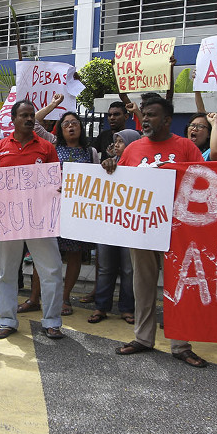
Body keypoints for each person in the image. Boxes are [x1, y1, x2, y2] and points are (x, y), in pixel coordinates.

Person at [102, 97, 208, 368]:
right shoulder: (134, 148)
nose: (145, 119)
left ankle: (181, 345)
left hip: (177, 231)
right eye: (144, 115)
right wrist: (110, 167)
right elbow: (118, 185)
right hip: (142, 229)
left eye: (151, 115)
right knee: (143, 284)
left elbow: (203, 181)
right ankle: (143, 338)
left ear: (168, 120)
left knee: (178, 287)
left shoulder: (185, 147)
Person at [0, 100, 65, 340]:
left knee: (51, 270)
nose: (30, 119)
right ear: (14, 119)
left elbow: (56, 180)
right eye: (24, 115)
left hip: (40, 218)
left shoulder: (46, 147)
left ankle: (52, 321)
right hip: (8, 220)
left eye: (32, 115)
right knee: (7, 272)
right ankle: (7, 320)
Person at [25, 111, 99, 317]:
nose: (71, 127)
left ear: (81, 128)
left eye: (74, 123)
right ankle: (34, 297)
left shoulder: (90, 152)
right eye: (66, 124)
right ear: (60, 129)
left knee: (74, 254)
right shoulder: (51, 146)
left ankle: (64, 297)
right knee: (44, 254)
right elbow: (36, 122)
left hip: (77, 212)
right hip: (51, 209)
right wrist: (55, 104)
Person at [88, 128, 141, 324]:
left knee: (129, 269)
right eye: (116, 141)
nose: (117, 145)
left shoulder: (140, 167)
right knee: (105, 267)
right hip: (108, 225)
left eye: (121, 141)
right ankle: (101, 307)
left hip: (130, 226)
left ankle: (127, 308)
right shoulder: (108, 165)